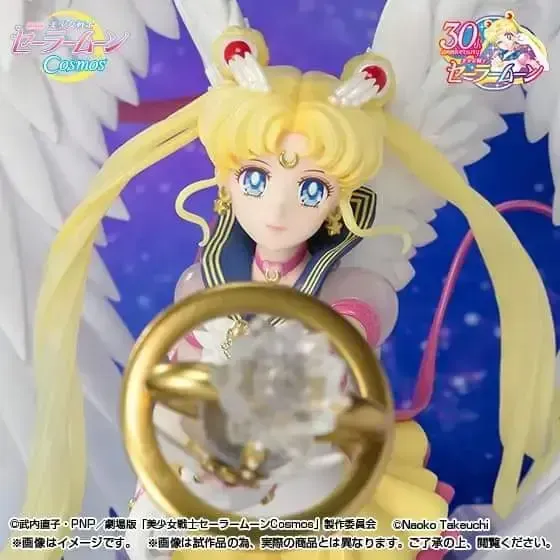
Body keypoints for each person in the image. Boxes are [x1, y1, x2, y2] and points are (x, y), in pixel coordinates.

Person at [19, 1, 558, 559]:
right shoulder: (208, 279)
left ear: (336, 203)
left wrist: (323, 353)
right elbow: (179, 372)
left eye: (310, 189)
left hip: (310, 459)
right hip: (218, 456)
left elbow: (352, 351)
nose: (278, 209)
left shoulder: (346, 285)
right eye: (256, 180)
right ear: (227, 184)